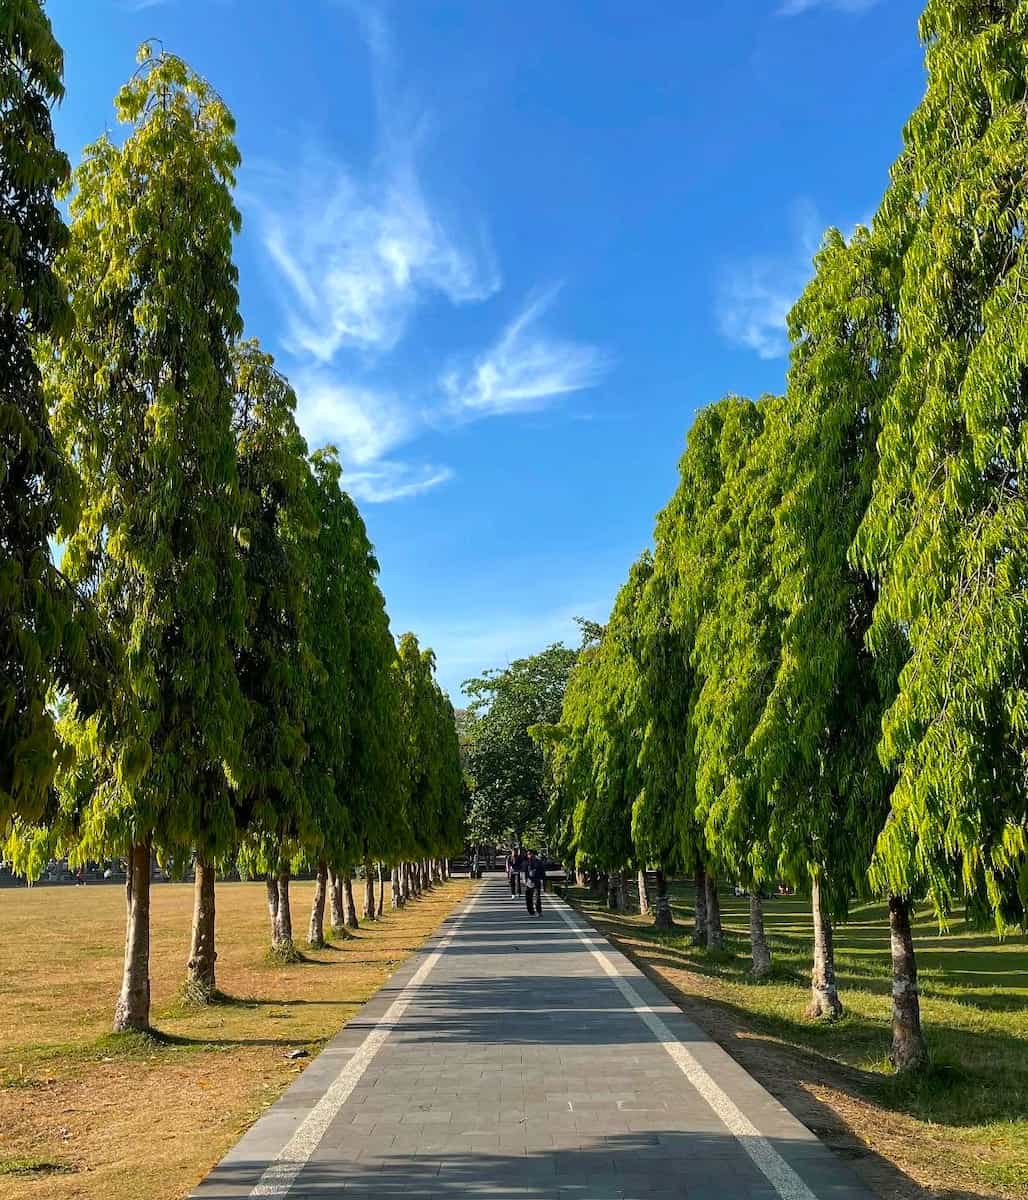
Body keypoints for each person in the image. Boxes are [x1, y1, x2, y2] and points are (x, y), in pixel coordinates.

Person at [523, 849, 545, 916]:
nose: (529, 855)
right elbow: (523, 872)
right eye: (528, 854)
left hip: (536, 881)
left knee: (537, 897)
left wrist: (542, 881)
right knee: (528, 898)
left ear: (533, 854)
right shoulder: (526, 862)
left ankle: (539, 911)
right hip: (528, 882)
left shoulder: (539, 862)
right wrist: (524, 880)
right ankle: (531, 911)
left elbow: (542, 872)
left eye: (530, 854)